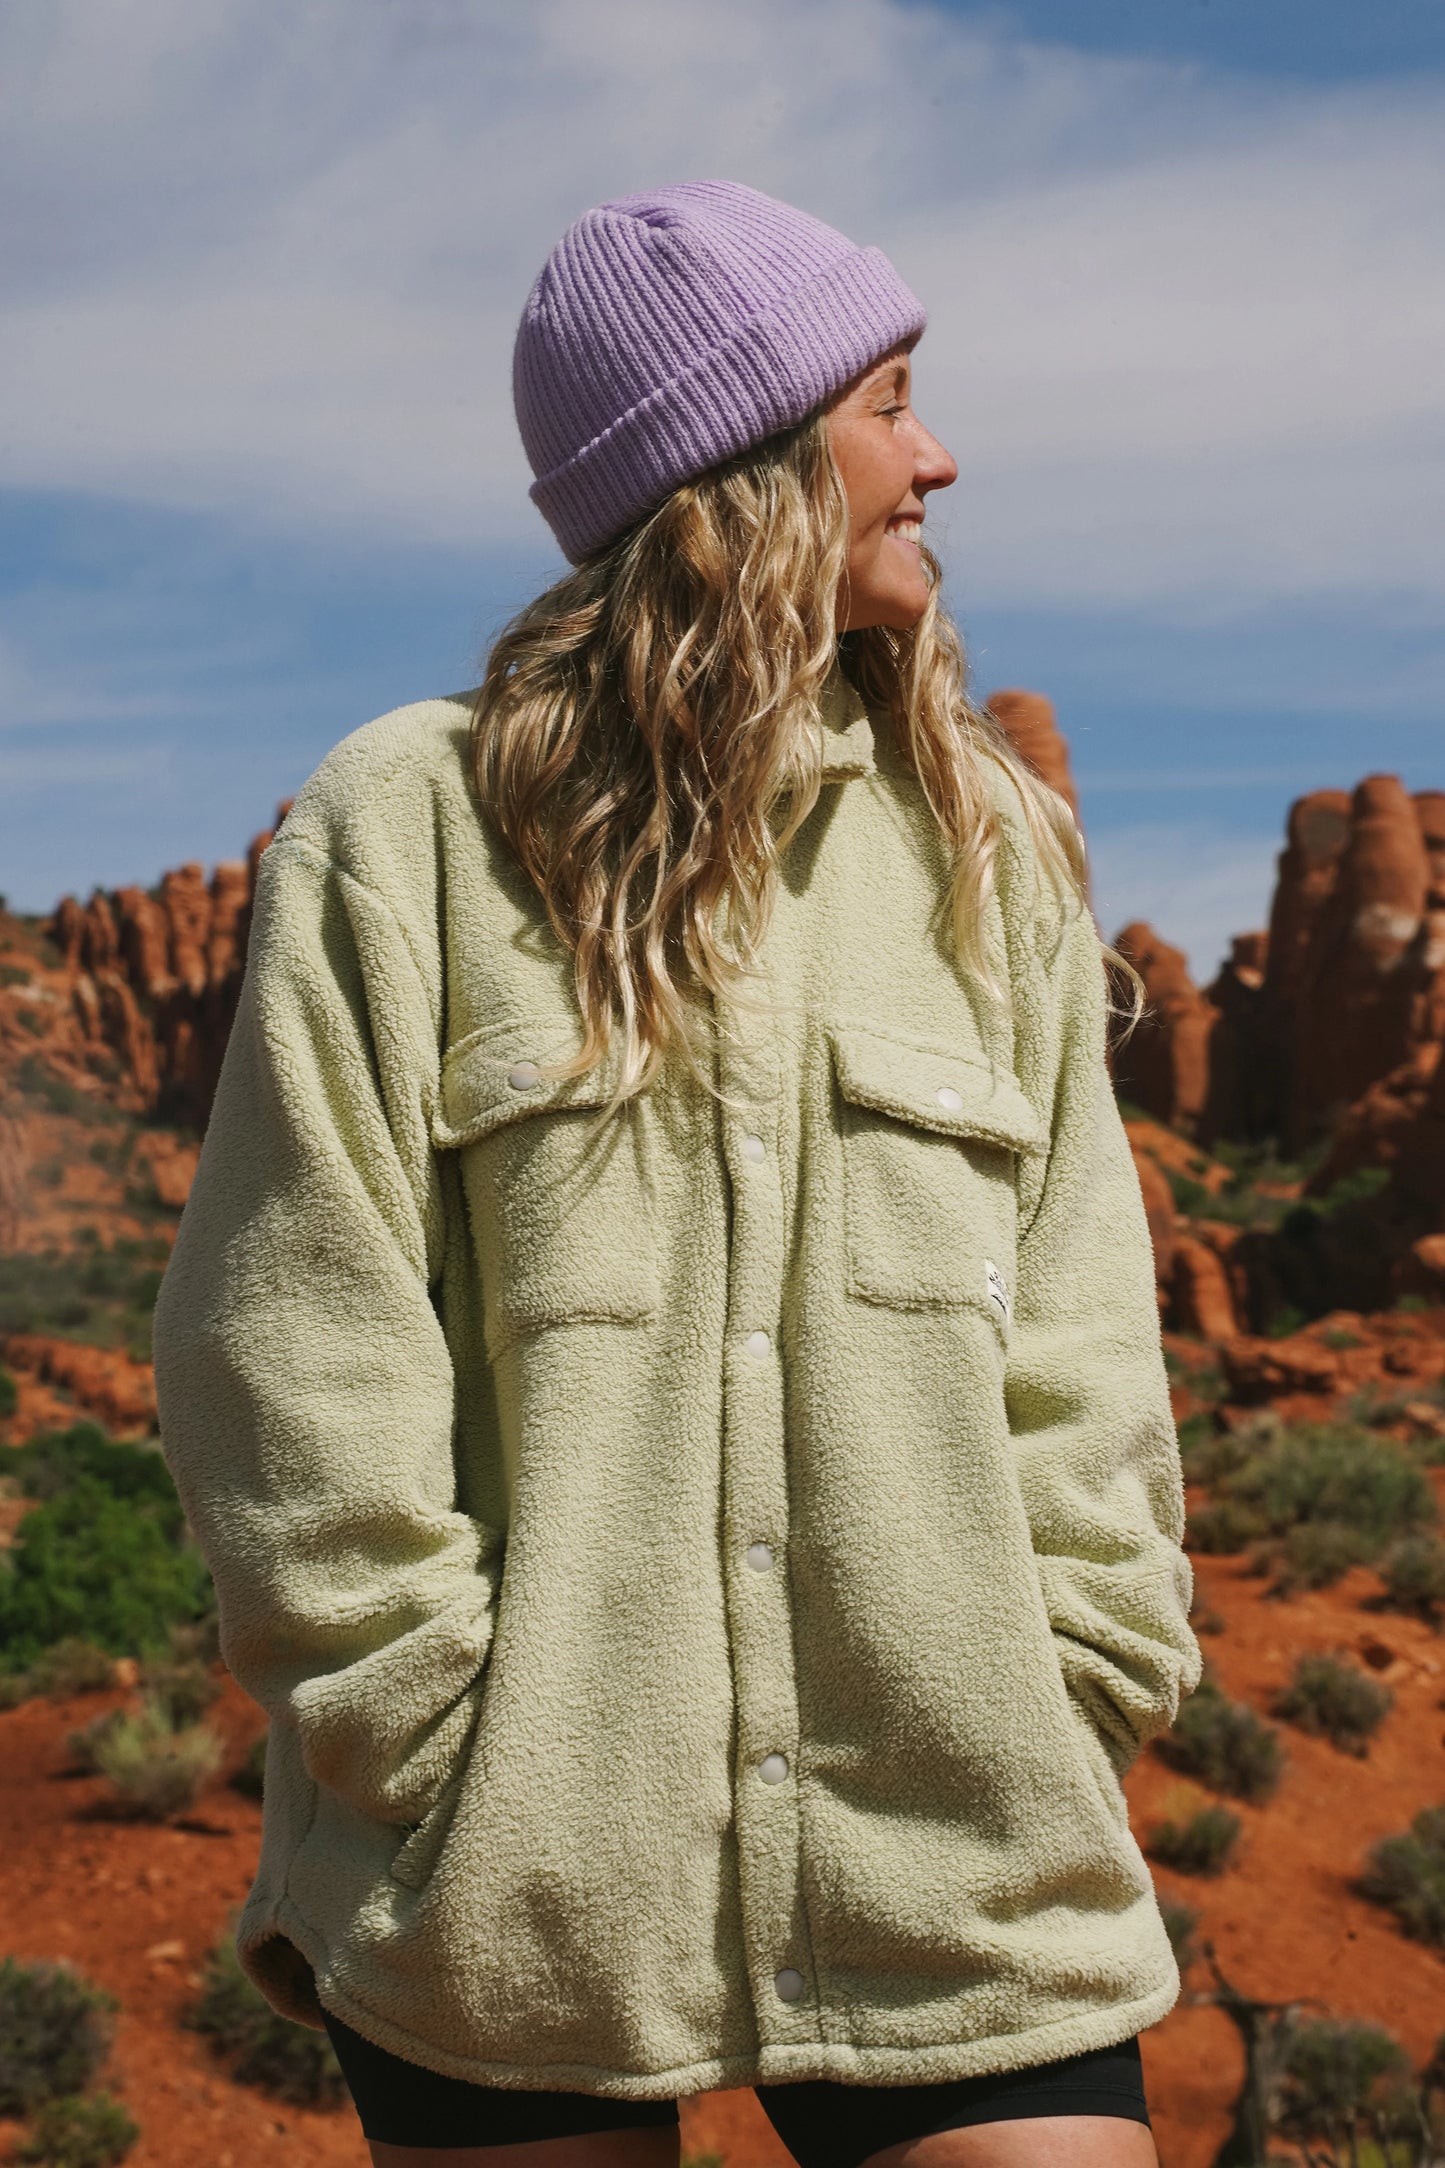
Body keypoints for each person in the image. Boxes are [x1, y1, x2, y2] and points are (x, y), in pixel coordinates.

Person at [153, 181, 1203, 2168]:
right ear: (748, 468)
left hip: (966, 1852)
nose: (939, 458)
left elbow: (1086, 1337)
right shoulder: (409, 828)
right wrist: (423, 1732)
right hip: (511, 1882)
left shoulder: (986, 851)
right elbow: (285, 1338)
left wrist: (1079, 1676)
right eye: (890, 404)